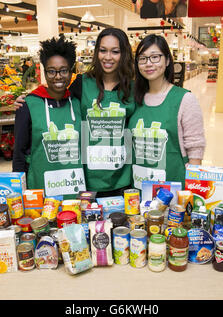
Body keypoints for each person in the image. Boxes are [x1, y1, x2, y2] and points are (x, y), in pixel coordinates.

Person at [15, 28, 135, 197]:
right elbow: (58, 98)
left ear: (124, 54)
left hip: (122, 176)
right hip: (87, 179)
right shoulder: (81, 83)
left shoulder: (133, 89)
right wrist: (30, 100)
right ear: (96, 53)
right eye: (103, 50)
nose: (108, 57)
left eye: (115, 51)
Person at [12, 36, 86, 199]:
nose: (58, 76)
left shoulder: (77, 103)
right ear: (44, 72)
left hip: (75, 192)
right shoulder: (27, 105)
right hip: (41, 194)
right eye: (51, 71)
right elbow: (19, 156)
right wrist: (20, 194)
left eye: (63, 70)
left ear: (71, 71)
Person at [128, 34, 205, 190]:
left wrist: (192, 192)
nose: (148, 64)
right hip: (138, 187)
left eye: (155, 57)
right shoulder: (134, 99)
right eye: (142, 59)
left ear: (168, 60)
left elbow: (195, 149)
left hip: (174, 189)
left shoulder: (184, 99)